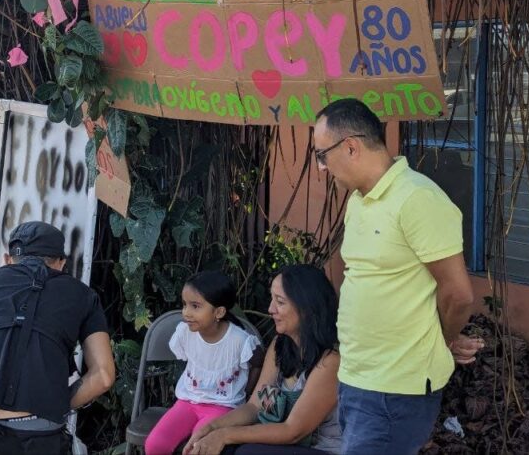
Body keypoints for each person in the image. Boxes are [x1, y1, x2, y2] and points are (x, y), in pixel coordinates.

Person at [312, 98, 482, 455]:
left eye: (322, 155)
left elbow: (458, 294)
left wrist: (443, 340)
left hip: (394, 389)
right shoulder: (361, 199)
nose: (321, 168)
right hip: (358, 378)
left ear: (351, 147)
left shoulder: (417, 199)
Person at [0, 221, 116, 455]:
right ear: (61, 263)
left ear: (8, 260)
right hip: (38, 434)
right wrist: (56, 403)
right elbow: (103, 376)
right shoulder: (84, 296)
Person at [184, 265, 343, 455]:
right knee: (221, 447)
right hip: (288, 444)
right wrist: (210, 429)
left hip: (321, 449)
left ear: (307, 308)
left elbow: (292, 431)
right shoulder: (280, 346)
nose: (270, 309)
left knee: (245, 452)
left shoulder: (330, 361)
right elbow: (254, 406)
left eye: (280, 302)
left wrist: (225, 434)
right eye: (272, 299)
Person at [146, 271, 262, 455]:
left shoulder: (240, 340)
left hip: (223, 406)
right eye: (184, 305)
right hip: (188, 402)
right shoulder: (184, 332)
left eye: (195, 306)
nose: (186, 313)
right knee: (155, 445)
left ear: (219, 312)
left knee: (198, 449)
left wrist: (245, 393)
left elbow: (258, 363)